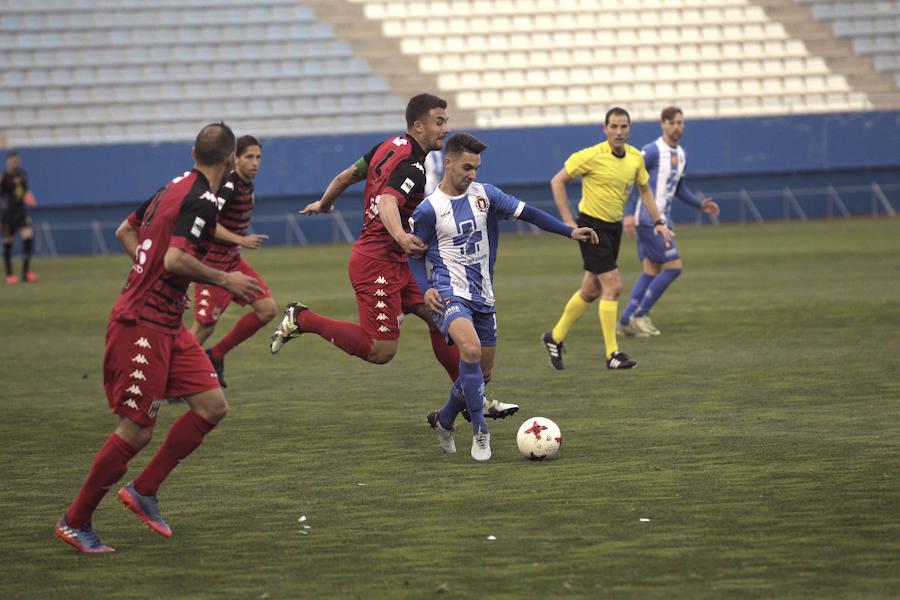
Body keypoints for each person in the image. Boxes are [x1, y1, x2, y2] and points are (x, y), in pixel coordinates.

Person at [54, 123, 263, 553]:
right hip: (142, 324)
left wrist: (151, 274)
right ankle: (75, 520)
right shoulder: (203, 200)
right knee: (135, 432)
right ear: (228, 161)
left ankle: (143, 490)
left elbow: (125, 232)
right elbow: (174, 258)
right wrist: (226, 278)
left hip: (166, 321)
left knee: (211, 406)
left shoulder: (173, 185)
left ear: (192, 152)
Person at [271, 93, 518, 420]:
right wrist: (401, 236)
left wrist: (326, 202)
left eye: (446, 121)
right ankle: (303, 319)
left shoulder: (387, 147)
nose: (445, 129)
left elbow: (347, 176)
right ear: (418, 125)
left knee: (440, 316)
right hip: (377, 263)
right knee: (381, 351)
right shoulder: (412, 166)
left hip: (399, 262)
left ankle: (473, 398)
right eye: (439, 122)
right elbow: (388, 202)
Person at [409, 133, 598, 460]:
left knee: (483, 375)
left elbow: (530, 214)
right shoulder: (428, 210)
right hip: (448, 292)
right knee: (469, 349)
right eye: (467, 167)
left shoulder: (486, 195)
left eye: (477, 168)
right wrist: (425, 287)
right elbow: (414, 254)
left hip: (484, 294)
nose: (472, 174)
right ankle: (481, 430)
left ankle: (444, 419)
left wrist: (570, 231)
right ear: (448, 163)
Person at [540, 107, 673, 371]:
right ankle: (612, 353)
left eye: (624, 127)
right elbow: (558, 181)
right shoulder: (590, 156)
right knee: (613, 285)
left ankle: (554, 337)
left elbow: (645, 190)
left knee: (591, 289)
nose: (619, 131)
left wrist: (658, 221)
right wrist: (568, 222)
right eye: (614, 126)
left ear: (629, 129)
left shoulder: (635, 158)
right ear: (605, 129)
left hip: (612, 229)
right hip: (590, 227)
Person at [618, 107, 720, 337]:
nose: (677, 127)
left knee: (652, 270)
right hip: (648, 218)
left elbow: (679, 188)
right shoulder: (652, 151)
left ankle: (625, 321)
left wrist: (700, 204)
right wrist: (627, 214)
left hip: (662, 220)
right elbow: (628, 179)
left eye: (680, 123)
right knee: (674, 267)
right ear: (663, 124)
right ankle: (640, 314)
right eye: (672, 123)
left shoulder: (681, 154)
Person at [189, 135, 276, 387]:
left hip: (233, 262)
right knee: (203, 329)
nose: (255, 162)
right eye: (249, 157)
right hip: (211, 265)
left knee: (267, 309)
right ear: (235, 158)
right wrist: (241, 239)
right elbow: (208, 223)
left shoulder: (247, 184)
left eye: (258, 157)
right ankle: (171, 378)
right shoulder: (229, 186)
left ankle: (216, 355)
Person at [1, 151, 38, 283]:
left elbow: (25, 190)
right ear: (8, 162)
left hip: (21, 212)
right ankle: (10, 275)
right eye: (13, 160)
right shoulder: (3, 177)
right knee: (8, 242)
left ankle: (25, 272)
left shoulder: (22, 174)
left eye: (17, 160)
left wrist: (29, 196)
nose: (15, 162)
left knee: (28, 236)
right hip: (7, 214)